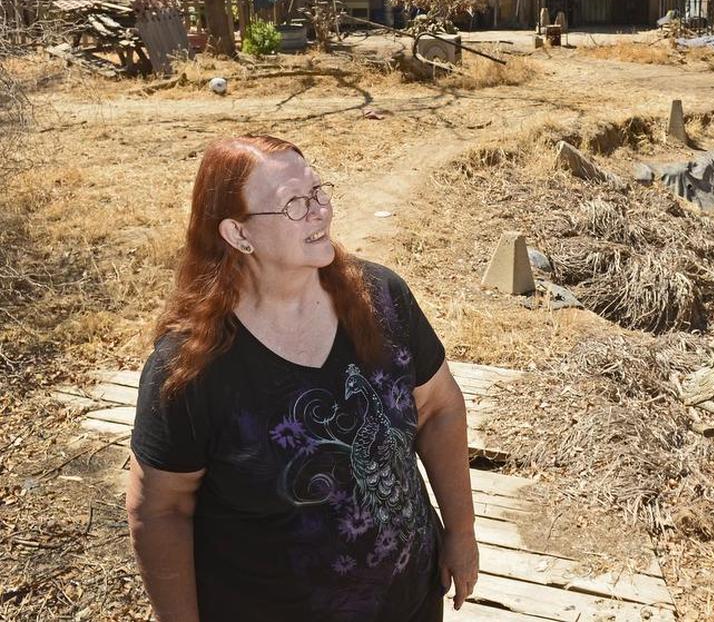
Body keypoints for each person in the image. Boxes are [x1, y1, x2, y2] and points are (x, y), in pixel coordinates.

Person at [126, 134, 478, 621]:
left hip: (411, 600)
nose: (319, 212)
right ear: (238, 234)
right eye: (293, 203)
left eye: (317, 192)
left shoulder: (382, 298)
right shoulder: (191, 367)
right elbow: (160, 511)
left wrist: (461, 531)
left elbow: (438, 407)